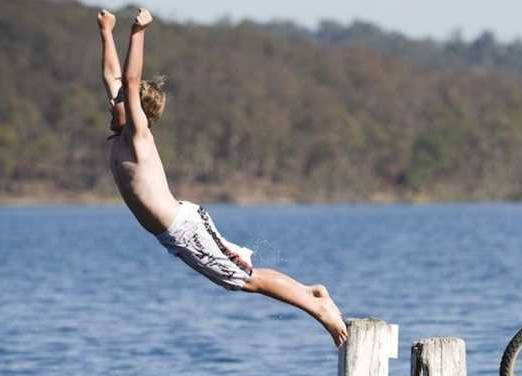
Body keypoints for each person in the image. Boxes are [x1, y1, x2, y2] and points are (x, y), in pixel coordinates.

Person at [96, 8, 348, 347]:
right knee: (243, 273)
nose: (112, 105)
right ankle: (311, 293)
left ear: (137, 110)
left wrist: (137, 33)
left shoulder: (136, 135)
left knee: (245, 280)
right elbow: (112, 77)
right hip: (174, 234)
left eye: (120, 103)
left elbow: (127, 80)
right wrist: (105, 30)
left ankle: (319, 309)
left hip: (183, 228)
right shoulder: (122, 126)